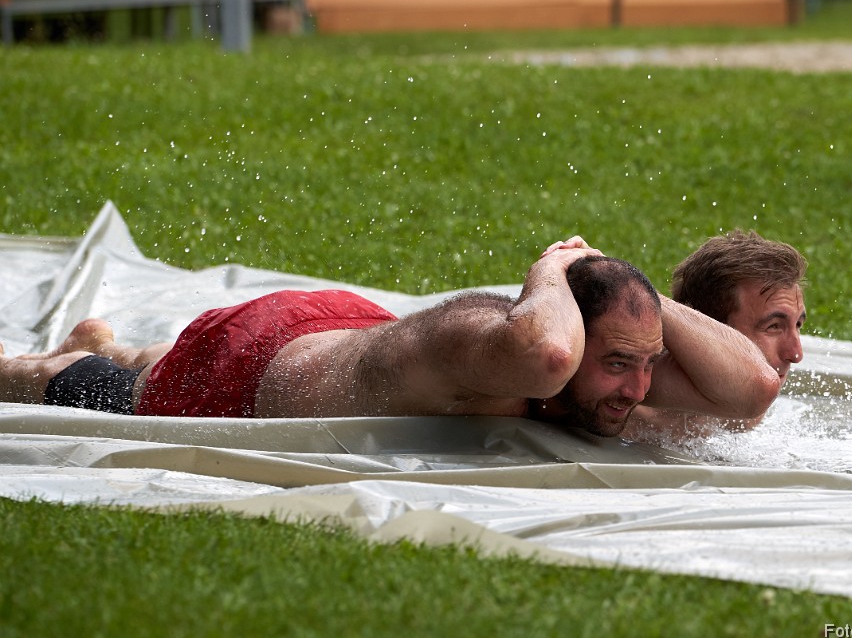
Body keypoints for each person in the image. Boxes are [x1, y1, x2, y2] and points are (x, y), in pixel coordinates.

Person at [0, 237, 780, 439]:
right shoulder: (510, 347)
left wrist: (620, 277)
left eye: (642, 367)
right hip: (256, 365)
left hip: (344, 329)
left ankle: (100, 339)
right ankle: (53, 361)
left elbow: (752, 390)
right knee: (122, 388)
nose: (638, 390)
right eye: (618, 364)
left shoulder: (593, 359)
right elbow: (545, 352)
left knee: (150, 357)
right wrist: (555, 264)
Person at [627, 230, 806, 441]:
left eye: (798, 324)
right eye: (774, 326)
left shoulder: (747, 414)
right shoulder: (630, 399)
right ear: (709, 329)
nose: (795, 354)